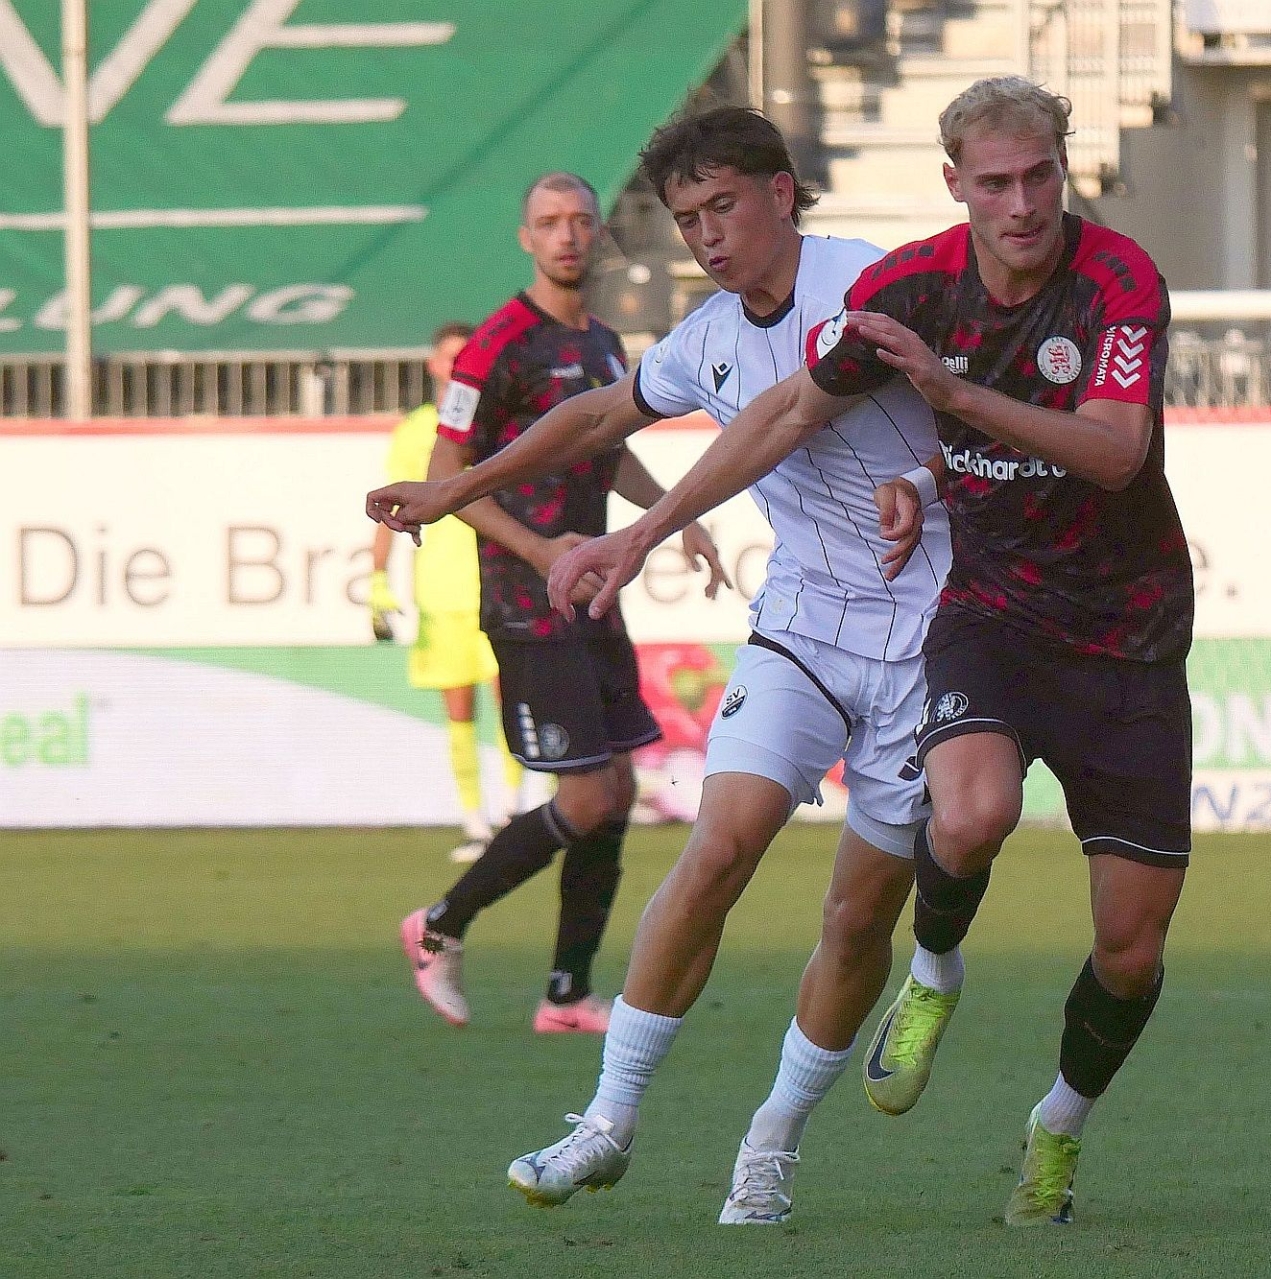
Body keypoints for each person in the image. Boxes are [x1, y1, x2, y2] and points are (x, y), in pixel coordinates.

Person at [546, 77, 1193, 1227]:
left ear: (1063, 169)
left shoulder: (1116, 279)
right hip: (976, 612)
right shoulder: (910, 287)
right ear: (955, 186)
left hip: (1121, 631)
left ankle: (1052, 1124)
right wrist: (638, 530)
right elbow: (788, 412)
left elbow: (1111, 454)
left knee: (1128, 949)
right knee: (952, 817)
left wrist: (944, 412)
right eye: (994, 181)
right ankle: (914, 978)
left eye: (1039, 175)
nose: (1021, 201)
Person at [367, 109, 951, 1222]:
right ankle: (606, 1121)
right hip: (804, 627)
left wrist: (919, 486)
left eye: (723, 205)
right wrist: (453, 488)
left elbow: (826, 421)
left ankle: (770, 1145)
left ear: (783, 193)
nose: (707, 235)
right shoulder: (708, 334)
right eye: (686, 219)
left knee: (855, 918)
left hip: (933, 639)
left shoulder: (871, 286)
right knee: (718, 844)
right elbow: (599, 416)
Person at [373, 171, 728, 1036]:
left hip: (591, 598)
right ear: (525, 238)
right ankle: (440, 923)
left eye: (580, 220)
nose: (567, 234)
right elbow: (449, 475)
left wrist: (676, 516)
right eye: (549, 222)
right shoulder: (495, 345)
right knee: (586, 796)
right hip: (527, 603)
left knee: (615, 785)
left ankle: (566, 993)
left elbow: (608, 446)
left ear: (600, 233)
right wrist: (539, 549)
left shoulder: (603, 344)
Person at [368, 320, 536, 863]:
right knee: (459, 712)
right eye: (449, 356)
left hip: (497, 581)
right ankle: (474, 820)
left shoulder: (498, 421)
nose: (456, 364)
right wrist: (377, 580)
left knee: (511, 702)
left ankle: (513, 812)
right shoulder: (415, 429)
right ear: (433, 364)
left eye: (466, 355)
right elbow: (389, 506)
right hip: (440, 592)